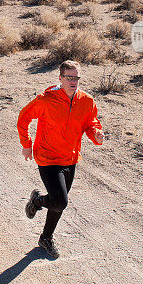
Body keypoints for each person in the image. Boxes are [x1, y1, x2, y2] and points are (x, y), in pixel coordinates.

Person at [17, 60, 103, 258]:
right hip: (47, 157)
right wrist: (27, 144)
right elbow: (24, 117)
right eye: (69, 77)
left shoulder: (86, 101)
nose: (73, 81)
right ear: (60, 78)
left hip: (70, 157)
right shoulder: (46, 99)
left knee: (58, 202)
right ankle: (37, 201)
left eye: (76, 77)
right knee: (61, 201)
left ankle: (46, 237)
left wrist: (96, 134)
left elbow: (90, 123)